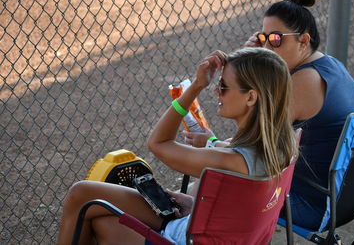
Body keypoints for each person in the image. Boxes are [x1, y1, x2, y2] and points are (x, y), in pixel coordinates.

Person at [56, 47, 297, 245]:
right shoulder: (284, 146)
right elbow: (243, 202)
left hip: (182, 239)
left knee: (84, 197)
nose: (216, 91)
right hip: (215, 232)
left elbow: (158, 142)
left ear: (251, 97)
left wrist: (195, 87)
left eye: (223, 86)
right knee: (94, 206)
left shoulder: (230, 161)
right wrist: (195, 206)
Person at [183, 0, 354, 230]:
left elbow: (251, 147)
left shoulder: (302, 84)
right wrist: (253, 58)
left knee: (214, 174)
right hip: (349, 193)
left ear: (304, 40)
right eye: (263, 38)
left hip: (316, 203)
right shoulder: (327, 64)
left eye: (276, 39)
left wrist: (211, 142)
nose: (267, 48)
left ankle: (183, 234)